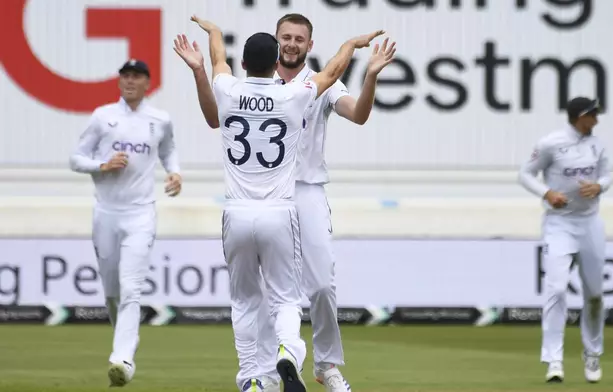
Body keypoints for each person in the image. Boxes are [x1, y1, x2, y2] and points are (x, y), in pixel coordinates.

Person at [175, 13, 396, 392]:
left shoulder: (311, 85)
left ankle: (325, 366)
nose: (292, 43)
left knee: (321, 285)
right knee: (272, 293)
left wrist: (371, 75)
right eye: (286, 37)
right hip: (275, 199)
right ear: (277, 45)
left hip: (304, 191)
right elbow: (216, 116)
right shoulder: (288, 88)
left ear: (309, 45)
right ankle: (270, 369)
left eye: (300, 38)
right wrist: (351, 48)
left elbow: (358, 115)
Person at [69, 59, 182, 387]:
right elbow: (76, 159)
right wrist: (102, 165)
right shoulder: (103, 117)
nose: (130, 81)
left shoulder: (159, 119)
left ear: (147, 82)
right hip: (106, 212)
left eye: (137, 77)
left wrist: (175, 173)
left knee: (132, 288)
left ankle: (122, 359)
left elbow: (169, 150)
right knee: (113, 292)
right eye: (126, 76)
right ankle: (124, 343)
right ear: (119, 81)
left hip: (140, 214)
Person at [518, 97, 610, 384]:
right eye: (592, 114)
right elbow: (525, 174)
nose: (596, 119)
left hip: (590, 223)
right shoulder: (551, 143)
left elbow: (606, 177)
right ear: (578, 116)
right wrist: (547, 194)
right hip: (559, 223)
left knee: (594, 296)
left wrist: (599, 186)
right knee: (556, 290)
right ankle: (553, 360)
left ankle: (592, 354)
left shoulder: (598, 145)